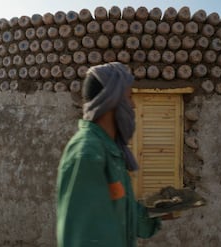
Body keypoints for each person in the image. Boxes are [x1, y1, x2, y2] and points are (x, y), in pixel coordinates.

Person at [56, 62, 161, 247]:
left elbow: (124, 215)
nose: (133, 105)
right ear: (111, 102)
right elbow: (86, 238)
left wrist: (158, 212)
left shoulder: (111, 151)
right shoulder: (87, 153)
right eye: (128, 98)